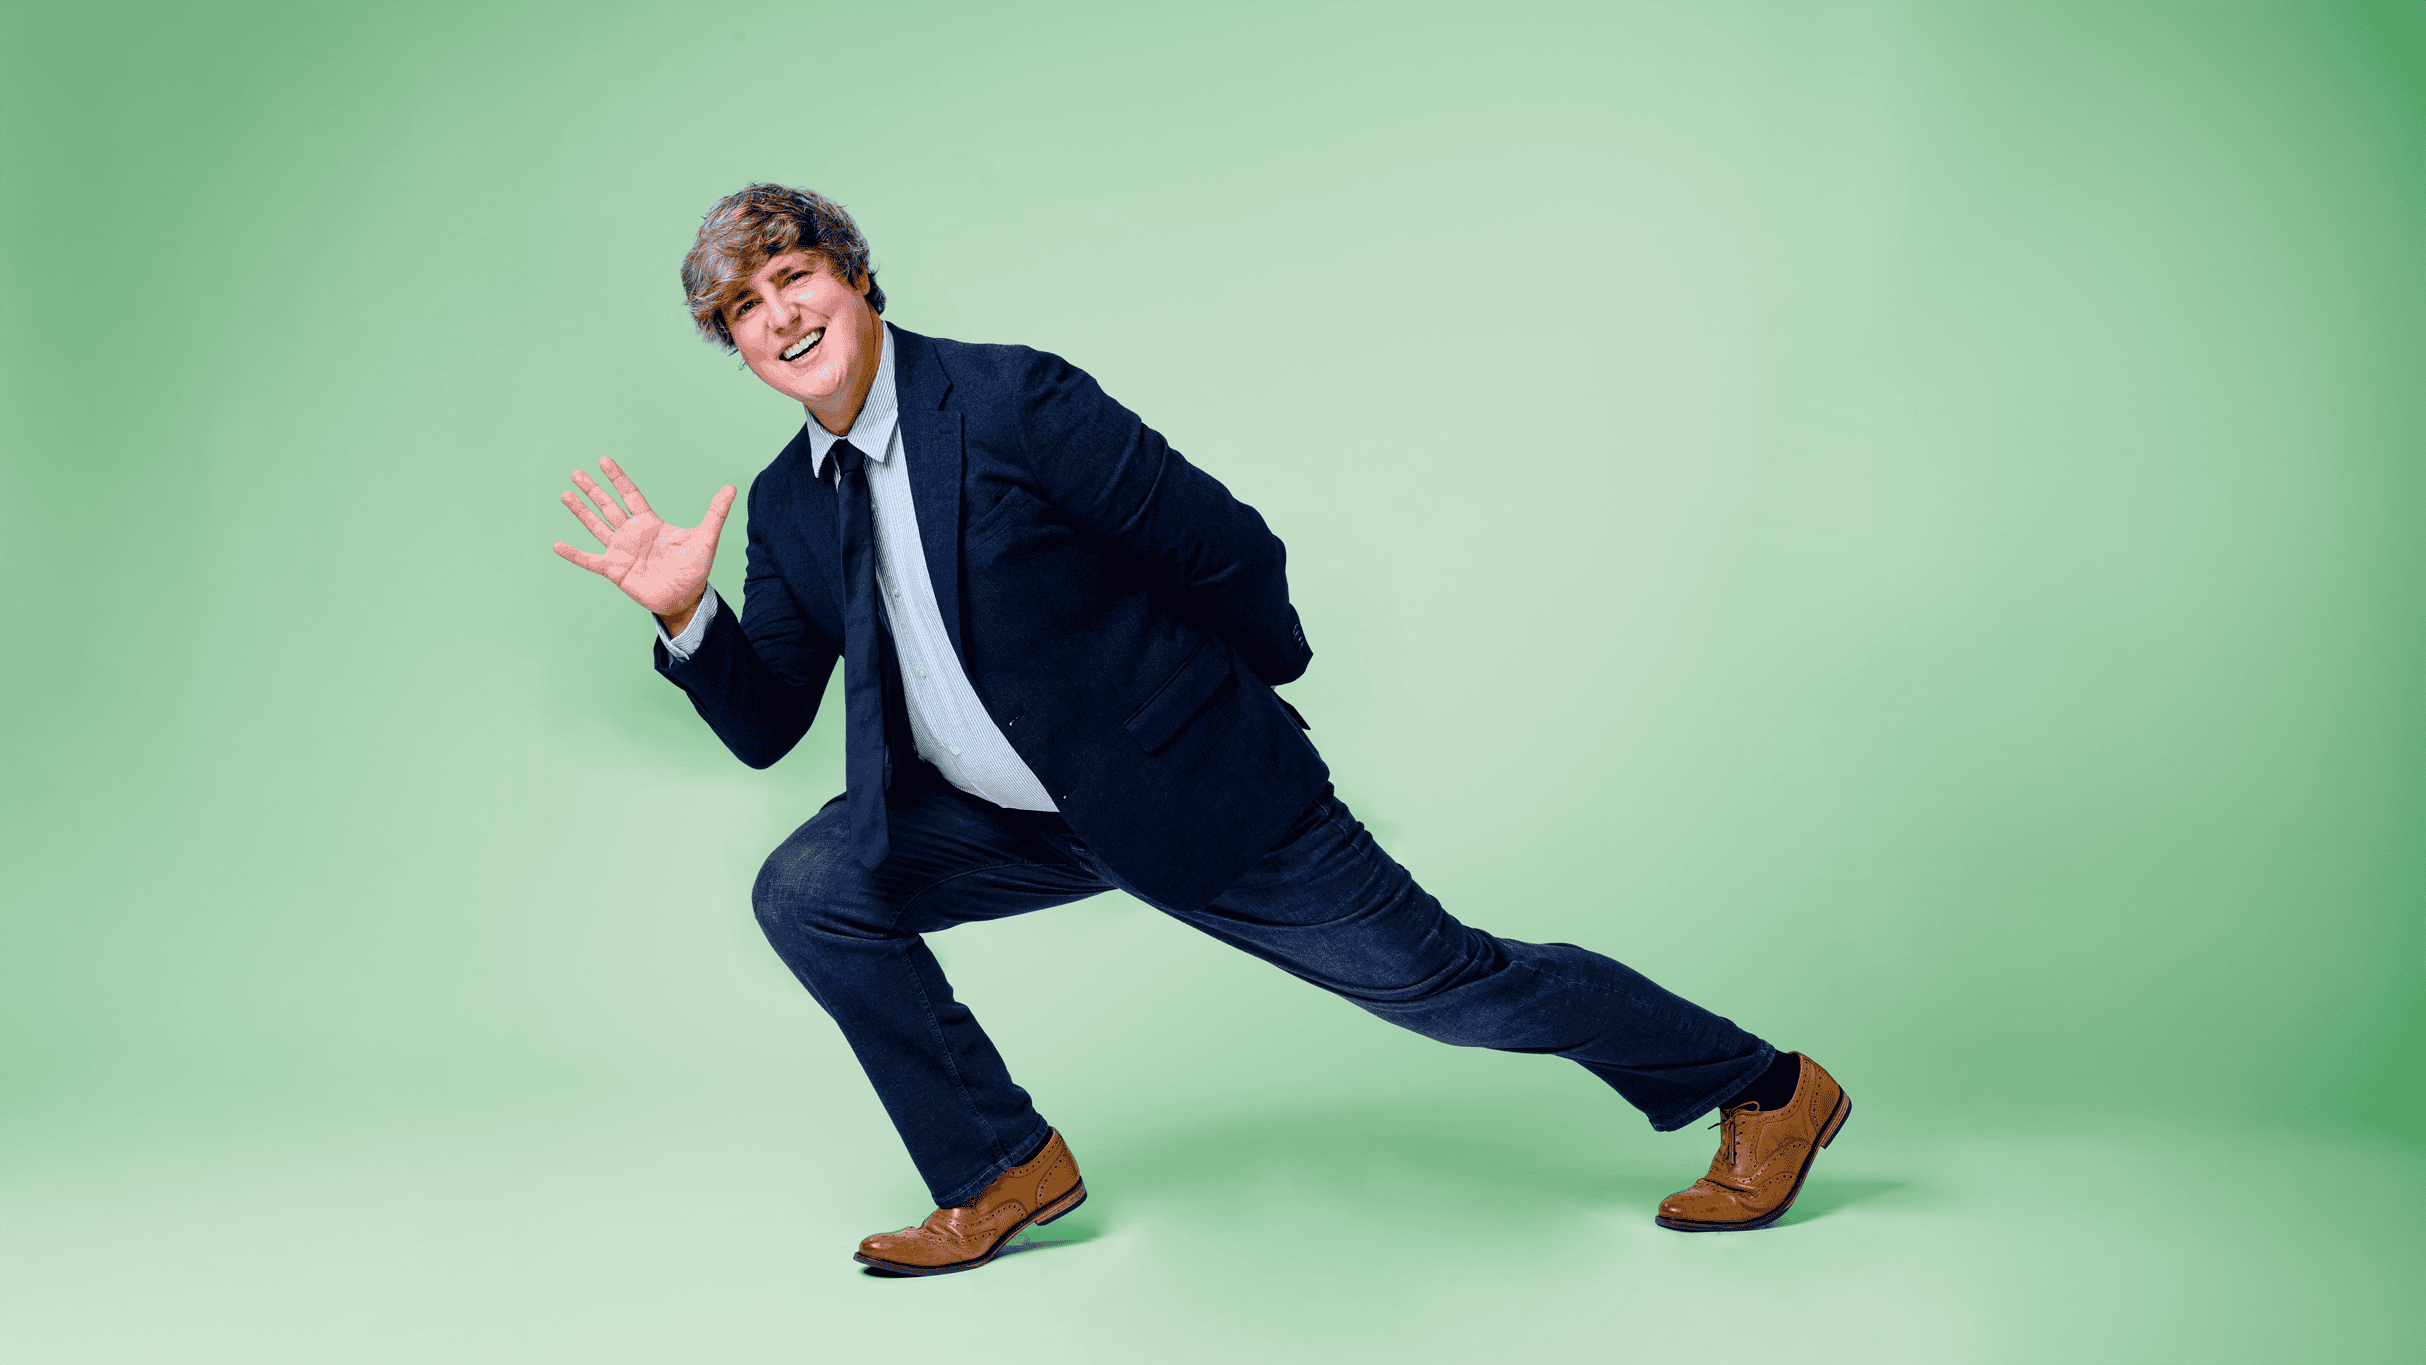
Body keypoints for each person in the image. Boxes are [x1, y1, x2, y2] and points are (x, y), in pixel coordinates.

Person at [551, 183, 1850, 1276]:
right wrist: (685, 615)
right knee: (811, 887)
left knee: (1448, 987)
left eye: (792, 277)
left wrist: (1213, 718)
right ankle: (999, 1168)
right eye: (744, 308)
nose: (779, 315)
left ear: (855, 278)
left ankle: (1766, 1088)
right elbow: (768, 722)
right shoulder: (789, 502)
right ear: (736, 347)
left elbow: (1225, 549)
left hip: (1194, 789)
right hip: (1003, 823)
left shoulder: (1013, 400)